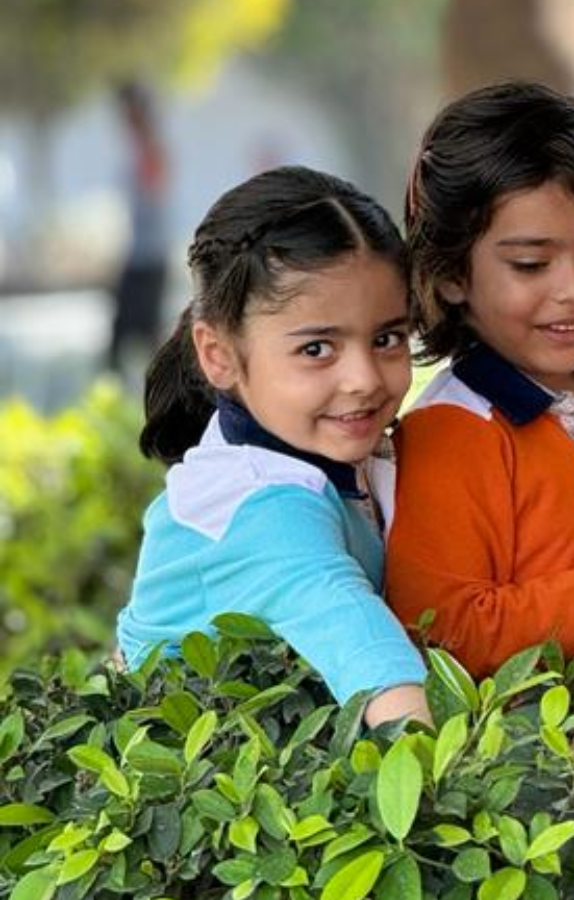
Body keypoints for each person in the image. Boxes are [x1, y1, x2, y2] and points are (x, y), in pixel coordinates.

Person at [117, 166, 430, 727]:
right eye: (316, 349)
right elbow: (376, 670)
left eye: (387, 338)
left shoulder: (325, 450)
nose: (363, 378)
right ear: (218, 355)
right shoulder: (262, 506)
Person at [386, 81, 574, 677]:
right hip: (532, 761)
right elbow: (443, 632)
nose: (572, 289)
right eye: (530, 264)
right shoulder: (450, 432)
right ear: (450, 274)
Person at [108, 82, 170, 378]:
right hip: (140, 253)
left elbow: (154, 192)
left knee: (141, 337)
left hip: (149, 256)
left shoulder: (150, 148)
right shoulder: (139, 148)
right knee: (126, 339)